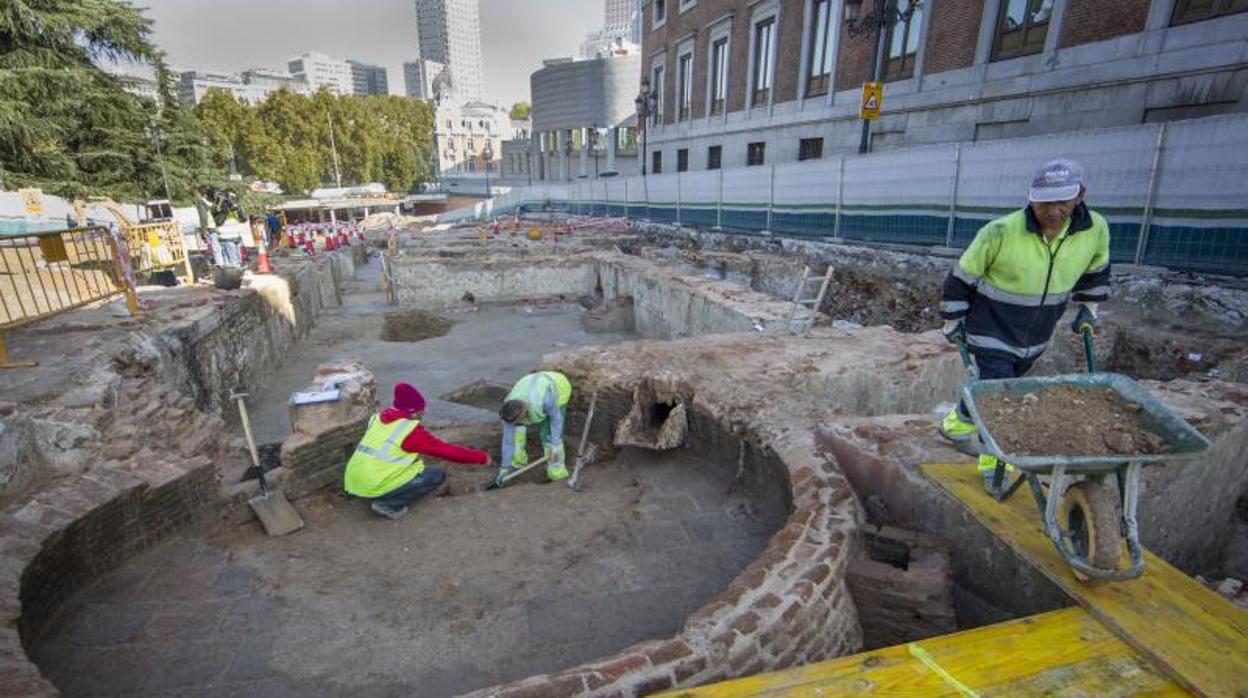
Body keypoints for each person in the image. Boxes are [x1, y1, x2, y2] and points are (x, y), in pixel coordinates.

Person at [938, 158, 1110, 491]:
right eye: (1046, 201)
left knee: (1000, 385)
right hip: (991, 325)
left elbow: (1096, 269)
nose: (1054, 210)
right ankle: (992, 466)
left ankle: (955, 423)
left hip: (1037, 331)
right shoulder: (1000, 232)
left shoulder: (1095, 229)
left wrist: (1089, 307)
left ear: (1080, 196)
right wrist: (952, 319)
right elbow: (961, 277)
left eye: (1063, 201)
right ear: (1032, 198)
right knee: (999, 396)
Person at [345, 382, 492, 519]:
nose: (421, 417)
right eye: (421, 413)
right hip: (373, 486)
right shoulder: (410, 431)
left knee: (413, 464)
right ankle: (389, 505)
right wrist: (481, 457)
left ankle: (378, 493)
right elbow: (446, 450)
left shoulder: (377, 419)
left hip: (354, 481)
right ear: (413, 412)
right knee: (435, 475)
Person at [498, 371, 572, 485]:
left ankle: (557, 472)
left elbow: (556, 421)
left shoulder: (545, 401)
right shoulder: (508, 409)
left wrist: (555, 444)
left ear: (525, 413)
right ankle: (517, 462)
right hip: (530, 383)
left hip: (558, 386)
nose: (512, 425)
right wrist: (504, 468)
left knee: (547, 434)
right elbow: (508, 440)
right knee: (516, 432)